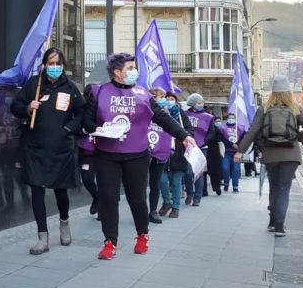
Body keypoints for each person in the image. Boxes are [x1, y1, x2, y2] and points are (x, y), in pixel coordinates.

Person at [83, 53, 195, 260]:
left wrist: (183, 135)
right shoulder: (99, 91)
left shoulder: (143, 93)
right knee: (108, 198)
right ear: (117, 72)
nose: (134, 71)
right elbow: (86, 120)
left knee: (137, 198)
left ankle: (142, 235)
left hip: (137, 155)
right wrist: (97, 128)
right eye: (130, 68)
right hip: (107, 154)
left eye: (134, 67)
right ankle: (110, 242)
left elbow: (162, 117)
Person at [11, 47, 85, 255]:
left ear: (63, 66)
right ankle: (42, 237)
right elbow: (15, 107)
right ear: (44, 65)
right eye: (50, 63)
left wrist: (69, 128)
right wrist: (28, 107)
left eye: (58, 64)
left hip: (61, 148)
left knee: (61, 190)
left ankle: (64, 222)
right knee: (37, 189)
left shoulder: (70, 88)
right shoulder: (33, 84)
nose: (54, 67)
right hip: (35, 147)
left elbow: (83, 114)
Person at [234, 76, 303, 237]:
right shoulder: (296, 108)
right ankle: (279, 226)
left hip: (271, 154)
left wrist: (240, 150)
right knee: (284, 189)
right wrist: (297, 138)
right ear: (288, 92)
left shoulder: (264, 108)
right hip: (291, 155)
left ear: (273, 92)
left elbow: (253, 131)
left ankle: (272, 221)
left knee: (274, 187)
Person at [154, 90, 194, 219]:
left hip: (178, 153)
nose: (168, 101)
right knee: (162, 180)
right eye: (166, 98)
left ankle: (176, 207)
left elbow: (190, 130)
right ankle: (167, 202)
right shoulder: (158, 113)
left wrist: (183, 137)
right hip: (162, 152)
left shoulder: (181, 114)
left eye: (172, 99)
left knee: (176, 182)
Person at [147, 88, 175, 223]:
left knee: (155, 183)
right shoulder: (145, 110)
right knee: (140, 183)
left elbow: (173, 129)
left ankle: (153, 211)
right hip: (145, 151)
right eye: (161, 96)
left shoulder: (167, 112)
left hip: (161, 152)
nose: (164, 99)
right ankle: (140, 210)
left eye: (165, 96)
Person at [183, 93, 213, 207]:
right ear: (192, 104)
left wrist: (205, 141)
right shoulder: (184, 114)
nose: (201, 104)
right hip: (187, 146)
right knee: (188, 172)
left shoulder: (209, 117)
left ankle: (197, 198)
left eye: (202, 102)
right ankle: (190, 192)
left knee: (199, 173)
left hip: (202, 147)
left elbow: (212, 132)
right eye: (198, 103)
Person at [78, 84, 101, 220]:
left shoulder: (104, 109)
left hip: (104, 152)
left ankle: (102, 210)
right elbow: (75, 126)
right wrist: (83, 130)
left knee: (104, 182)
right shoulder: (82, 109)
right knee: (87, 178)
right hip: (87, 153)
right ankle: (96, 197)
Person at [220, 112, 246, 193]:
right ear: (227, 119)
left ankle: (235, 186)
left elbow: (244, 138)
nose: (231, 119)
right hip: (226, 152)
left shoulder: (240, 127)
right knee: (225, 168)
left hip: (236, 152)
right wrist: (232, 144)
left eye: (232, 118)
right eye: (229, 118)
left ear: (235, 119)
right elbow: (221, 138)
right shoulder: (222, 128)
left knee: (236, 170)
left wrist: (239, 145)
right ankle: (226, 183)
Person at [205, 109, 224, 195]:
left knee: (215, 171)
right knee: (203, 172)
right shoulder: (202, 127)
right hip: (203, 150)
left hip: (214, 151)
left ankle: (217, 186)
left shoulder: (214, 128)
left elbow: (220, 137)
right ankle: (204, 190)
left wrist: (210, 138)